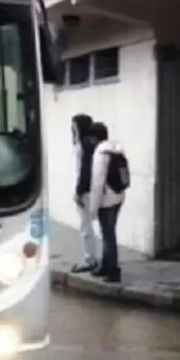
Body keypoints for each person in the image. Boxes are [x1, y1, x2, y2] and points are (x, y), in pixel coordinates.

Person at [86, 121, 128, 283]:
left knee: (108, 235)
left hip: (106, 200)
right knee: (108, 232)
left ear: (94, 138)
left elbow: (97, 182)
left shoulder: (100, 153)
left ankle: (113, 270)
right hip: (118, 196)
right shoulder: (117, 149)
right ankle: (105, 265)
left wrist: (93, 207)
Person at [71, 114, 99, 273]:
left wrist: (79, 191)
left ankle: (89, 259)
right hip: (91, 189)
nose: (72, 129)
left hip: (85, 190)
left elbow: (85, 170)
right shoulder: (91, 143)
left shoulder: (85, 144)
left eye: (75, 126)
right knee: (93, 225)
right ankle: (95, 258)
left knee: (85, 225)